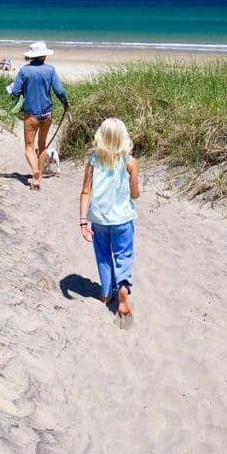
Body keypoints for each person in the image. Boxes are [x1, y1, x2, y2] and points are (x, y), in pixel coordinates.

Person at [78, 118, 140, 323]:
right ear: (124, 138)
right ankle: (122, 287)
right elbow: (135, 194)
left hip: (99, 219)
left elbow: (85, 191)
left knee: (103, 255)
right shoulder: (130, 162)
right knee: (123, 255)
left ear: (100, 138)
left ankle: (106, 293)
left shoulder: (94, 161)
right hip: (123, 219)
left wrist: (82, 221)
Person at [9, 41, 69, 190]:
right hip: (47, 113)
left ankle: (35, 170)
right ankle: (39, 177)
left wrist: (15, 89)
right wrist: (65, 104)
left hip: (31, 114)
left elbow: (15, 92)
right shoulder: (50, 70)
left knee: (29, 147)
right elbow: (60, 91)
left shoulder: (24, 71)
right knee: (42, 146)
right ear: (44, 56)